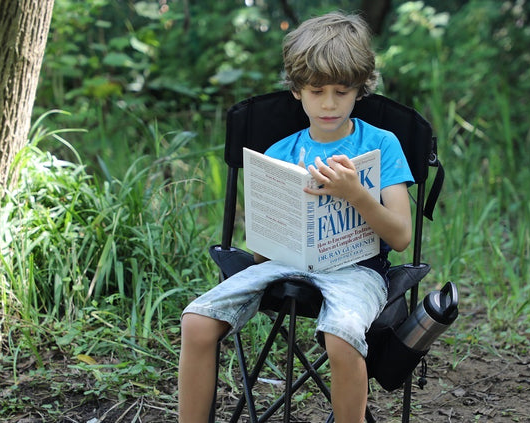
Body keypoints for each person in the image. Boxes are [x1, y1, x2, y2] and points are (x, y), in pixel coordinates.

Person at [177, 11, 414, 423]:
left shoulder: (381, 145)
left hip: (357, 269)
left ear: (360, 90)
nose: (328, 103)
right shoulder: (280, 153)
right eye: (316, 90)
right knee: (196, 322)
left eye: (341, 91)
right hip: (285, 265)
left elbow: (401, 236)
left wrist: (356, 194)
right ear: (296, 91)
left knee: (340, 338)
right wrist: (270, 239)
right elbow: (261, 249)